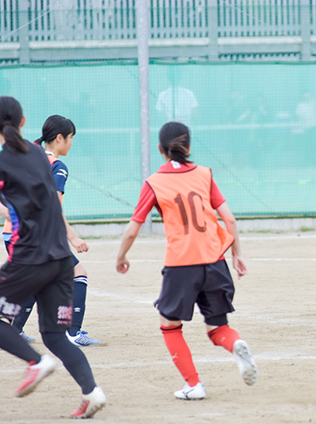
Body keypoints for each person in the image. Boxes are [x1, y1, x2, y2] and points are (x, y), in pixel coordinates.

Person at [116, 121, 257, 400]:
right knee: (218, 327)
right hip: (215, 259)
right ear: (189, 147)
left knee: (169, 324)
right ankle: (236, 343)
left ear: (160, 150)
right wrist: (237, 254)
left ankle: (194, 384)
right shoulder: (204, 174)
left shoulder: (154, 182)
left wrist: (121, 256)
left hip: (181, 264)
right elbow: (229, 218)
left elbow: (133, 229)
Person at [0, 96, 105, 418]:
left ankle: (36, 362)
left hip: (30, 257)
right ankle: (92, 392)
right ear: (22, 122)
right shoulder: (39, 156)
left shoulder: (4, 160)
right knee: (55, 335)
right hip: (60, 258)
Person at [6, 115, 102, 346]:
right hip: (39, 236)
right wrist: (73, 237)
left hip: (13, 232)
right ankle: (73, 332)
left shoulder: (28, 157)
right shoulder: (57, 166)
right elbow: (53, 208)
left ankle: (15, 329)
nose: (71, 144)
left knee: (34, 279)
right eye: (70, 138)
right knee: (79, 273)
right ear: (59, 138)